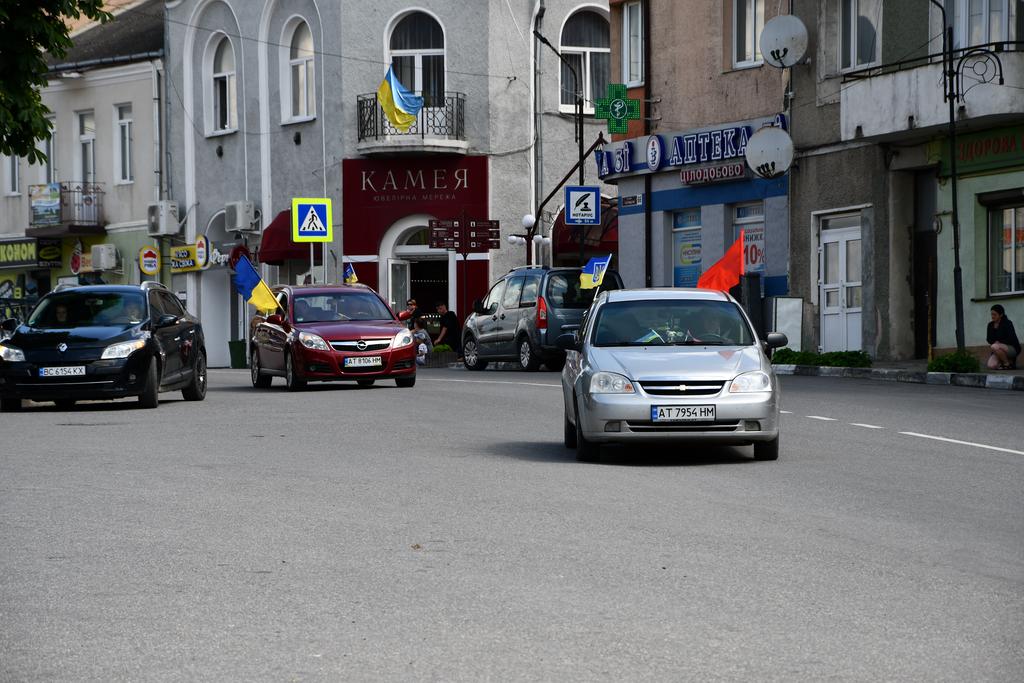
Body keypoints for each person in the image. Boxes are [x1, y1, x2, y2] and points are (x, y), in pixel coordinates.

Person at [986, 304, 1020, 370]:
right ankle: (1007, 362)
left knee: (994, 346)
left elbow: (1011, 338)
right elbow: (988, 339)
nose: (992, 316)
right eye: (991, 314)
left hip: (1011, 348)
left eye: (995, 314)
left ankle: (1007, 364)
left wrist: (999, 342)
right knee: (991, 365)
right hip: (997, 348)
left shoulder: (1007, 323)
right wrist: (995, 342)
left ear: (1001, 315)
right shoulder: (990, 325)